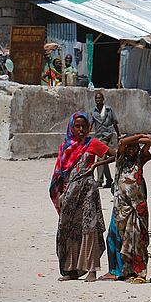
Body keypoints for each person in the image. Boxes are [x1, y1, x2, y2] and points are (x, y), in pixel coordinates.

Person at [49, 112, 115, 282]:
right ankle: (71, 270)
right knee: (69, 229)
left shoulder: (92, 143)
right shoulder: (65, 146)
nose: (80, 129)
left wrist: (96, 164)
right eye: (77, 126)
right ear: (71, 126)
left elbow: (114, 155)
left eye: (83, 126)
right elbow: (61, 172)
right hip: (69, 192)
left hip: (88, 190)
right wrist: (62, 194)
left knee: (90, 227)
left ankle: (92, 269)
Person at [98, 133, 151, 284]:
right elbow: (122, 142)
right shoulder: (120, 159)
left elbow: (149, 142)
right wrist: (138, 136)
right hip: (121, 207)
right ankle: (118, 271)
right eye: (129, 147)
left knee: (137, 240)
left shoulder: (140, 159)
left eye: (134, 147)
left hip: (137, 207)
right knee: (114, 238)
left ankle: (138, 273)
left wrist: (138, 138)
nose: (130, 149)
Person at [90, 92, 121, 188]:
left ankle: (99, 180)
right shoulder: (94, 112)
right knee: (104, 159)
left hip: (108, 137)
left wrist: (119, 135)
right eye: (96, 98)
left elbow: (114, 123)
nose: (97, 100)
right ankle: (109, 180)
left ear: (103, 99)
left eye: (99, 98)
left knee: (100, 157)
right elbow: (91, 125)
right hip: (99, 137)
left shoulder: (108, 110)